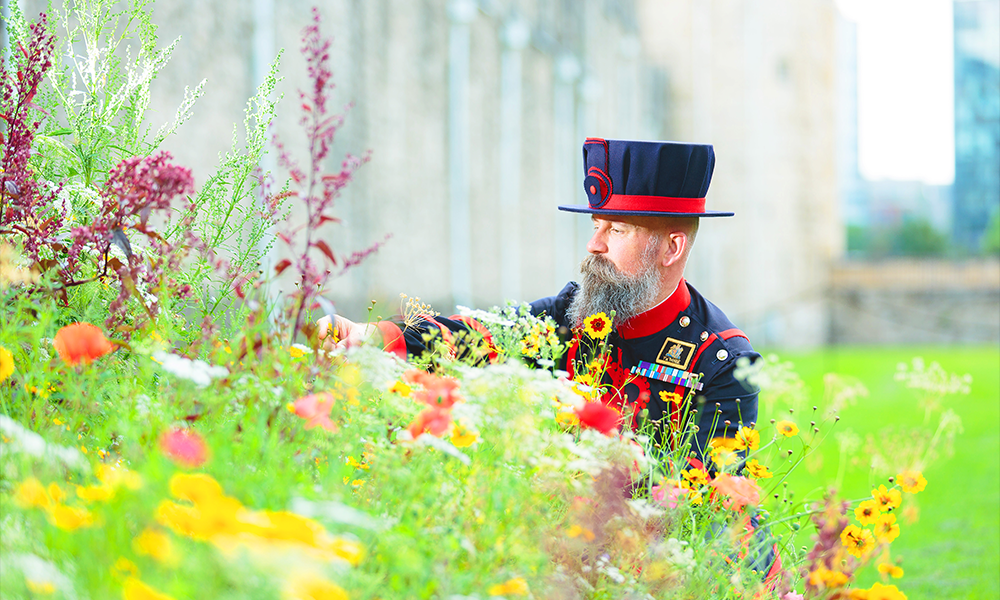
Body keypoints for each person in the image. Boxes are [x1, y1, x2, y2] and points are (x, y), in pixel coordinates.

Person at [322, 137, 759, 457]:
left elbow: (706, 502)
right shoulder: (570, 315)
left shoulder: (723, 363)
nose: (594, 245)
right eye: (596, 226)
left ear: (672, 248)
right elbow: (476, 334)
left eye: (618, 229)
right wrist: (367, 335)